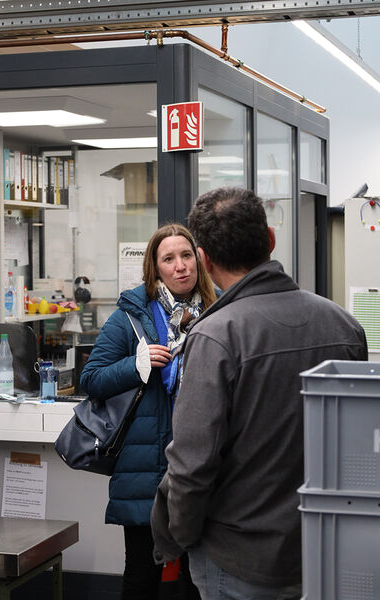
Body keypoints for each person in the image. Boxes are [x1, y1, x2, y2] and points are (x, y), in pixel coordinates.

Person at [151, 187, 368, 600]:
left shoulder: (215, 336)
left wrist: (179, 537)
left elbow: (192, 466)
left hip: (237, 560)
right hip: (327, 552)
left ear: (204, 259)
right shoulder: (344, 325)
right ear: (270, 240)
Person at [80, 223, 216, 600]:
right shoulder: (131, 315)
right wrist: (134, 366)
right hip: (146, 467)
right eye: (168, 259)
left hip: (203, 463)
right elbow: (90, 379)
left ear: (199, 261)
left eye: (186, 256)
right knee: (142, 575)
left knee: (199, 579)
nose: (180, 266)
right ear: (155, 269)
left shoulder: (220, 310)